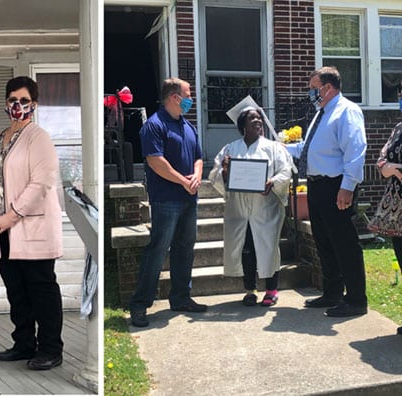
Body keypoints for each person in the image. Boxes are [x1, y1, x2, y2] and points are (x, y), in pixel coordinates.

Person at [0, 76, 65, 370]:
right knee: (16, 290)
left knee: (41, 288)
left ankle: (50, 348)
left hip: (29, 227)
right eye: (13, 100)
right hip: (1, 230)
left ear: (34, 105)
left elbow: (41, 183)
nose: (18, 105)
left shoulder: (39, 138)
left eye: (24, 101)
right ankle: (24, 343)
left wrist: (9, 216)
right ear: (5, 103)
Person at [284, 66, 368, 317]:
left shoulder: (347, 112)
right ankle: (332, 292)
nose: (311, 93)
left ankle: (355, 299)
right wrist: (280, 148)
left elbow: (356, 150)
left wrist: (347, 187)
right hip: (316, 185)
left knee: (344, 244)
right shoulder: (321, 114)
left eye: (313, 88)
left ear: (328, 87)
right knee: (324, 242)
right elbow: (308, 149)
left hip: (336, 186)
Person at [129, 77, 207, 328]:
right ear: (174, 97)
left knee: (185, 249)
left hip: (188, 199)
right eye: (187, 94)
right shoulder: (154, 125)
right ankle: (140, 305)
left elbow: (198, 157)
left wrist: (196, 175)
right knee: (158, 250)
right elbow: (155, 162)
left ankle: (181, 297)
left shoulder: (188, 126)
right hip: (166, 200)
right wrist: (183, 182)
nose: (190, 98)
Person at [209, 107, 293, 306]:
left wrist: (271, 182)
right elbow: (214, 175)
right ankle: (250, 290)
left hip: (266, 208)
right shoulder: (230, 149)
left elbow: (285, 171)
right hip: (239, 210)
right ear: (242, 125)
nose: (258, 121)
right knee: (246, 248)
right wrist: (225, 173)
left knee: (268, 248)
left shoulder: (273, 148)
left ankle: (271, 290)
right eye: (252, 118)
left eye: (259, 118)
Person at [367, 88, 402, 334]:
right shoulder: (398, 128)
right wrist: (390, 167)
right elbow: (381, 160)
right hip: (396, 209)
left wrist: (394, 167)